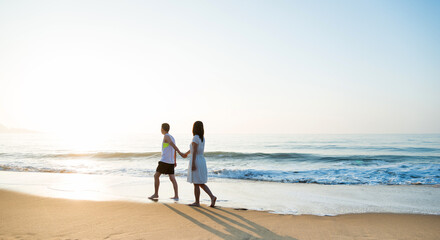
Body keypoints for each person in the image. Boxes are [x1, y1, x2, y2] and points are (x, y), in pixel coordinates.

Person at [183, 121, 217, 207]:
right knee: (200, 182)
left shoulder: (195, 137)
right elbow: (193, 149)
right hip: (201, 159)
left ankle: (197, 202)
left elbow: (194, 152)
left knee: (196, 183)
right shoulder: (202, 138)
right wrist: (186, 153)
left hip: (196, 160)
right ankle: (212, 197)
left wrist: (193, 163)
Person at [148, 123, 184, 201]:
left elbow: (173, 146)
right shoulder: (172, 137)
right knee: (172, 178)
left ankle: (156, 194)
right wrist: (174, 160)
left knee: (156, 176)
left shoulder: (166, 136)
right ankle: (176, 195)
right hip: (170, 161)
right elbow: (173, 149)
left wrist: (180, 153)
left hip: (164, 161)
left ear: (162, 129)